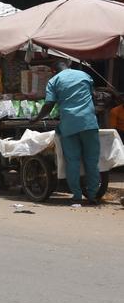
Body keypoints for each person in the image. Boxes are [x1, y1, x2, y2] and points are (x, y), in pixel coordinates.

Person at [30, 61, 100, 205]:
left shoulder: (54, 81)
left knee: (72, 161)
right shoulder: (84, 75)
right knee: (92, 161)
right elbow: (94, 96)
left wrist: (36, 118)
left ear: (54, 71)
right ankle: (93, 195)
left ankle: (77, 196)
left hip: (69, 125)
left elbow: (49, 104)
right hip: (89, 122)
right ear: (68, 65)